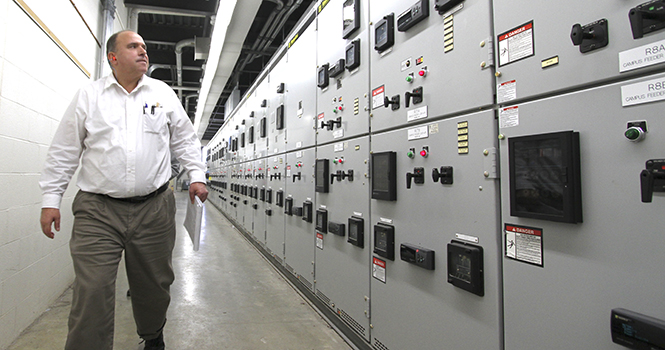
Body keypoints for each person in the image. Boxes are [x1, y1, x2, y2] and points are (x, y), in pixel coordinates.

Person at [39, 30, 208, 350]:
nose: (143, 51)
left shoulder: (162, 93)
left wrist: (196, 174)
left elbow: (184, 139)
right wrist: (51, 199)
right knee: (92, 289)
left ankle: (153, 335)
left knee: (154, 286)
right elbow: (64, 150)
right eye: (133, 46)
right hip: (97, 209)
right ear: (113, 58)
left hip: (155, 207)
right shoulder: (89, 95)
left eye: (144, 46)